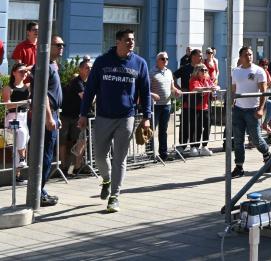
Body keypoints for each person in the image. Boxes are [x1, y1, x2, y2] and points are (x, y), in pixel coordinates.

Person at [78, 29, 150, 213]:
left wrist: (146, 117)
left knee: (120, 158)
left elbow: (145, 92)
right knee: (100, 156)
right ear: (117, 41)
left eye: (133, 40)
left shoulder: (139, 63)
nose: (131, 43)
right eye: (127, 40)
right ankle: (106, 180)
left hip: (127, 117)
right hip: (103, 116)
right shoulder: (102, 62)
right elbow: (90, 90)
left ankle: (114, 196)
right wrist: (83, 114)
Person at [30, 36, 64, 207]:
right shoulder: (42, 66)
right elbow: (41, 94)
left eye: (62, 45)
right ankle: (37, 194)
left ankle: (40, 191)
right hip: (45, 116)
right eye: (58, 45)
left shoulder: (53, 65)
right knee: (44, 157)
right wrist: (49, 117)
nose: (61, 47)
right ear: (48, 46)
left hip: (53, 114)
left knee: (47, 157)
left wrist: (56, 116)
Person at [231, 46, 271, 178]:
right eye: (246, 55)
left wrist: (261, 108)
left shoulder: (258, 70)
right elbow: (234, 89)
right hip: (238, 110)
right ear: (240, 57)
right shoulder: (236, 71)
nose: (249, 57)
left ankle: (266, 153)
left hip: (252, 110)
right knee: (238, 141)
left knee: (256, 139)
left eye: (250, 54)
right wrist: (231, 102)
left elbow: (264, 91)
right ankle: (239, 166)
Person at [60, 58, 91, 176]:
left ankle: (74, 168)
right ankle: (63, 168)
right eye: (87, 68)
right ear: (81, 69)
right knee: (63, 142)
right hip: (67, 116)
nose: (89, 70)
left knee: (79, 142)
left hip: (78, 117)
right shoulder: (77, 82)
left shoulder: (88, 82)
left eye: (91, 68)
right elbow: (86, 98)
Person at [3, 63, 30, 184]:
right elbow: (7, 105)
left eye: (25, 72)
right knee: (21, 133)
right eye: (21, 71)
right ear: (14, 72)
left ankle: (17, 176)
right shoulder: (8, 87)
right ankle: (23, 160)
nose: (24, 74)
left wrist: (28, 71)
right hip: (12, 117)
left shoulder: (27, 86)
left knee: (22, 142)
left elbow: (40, 80)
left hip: (23, 116)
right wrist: (24, 102)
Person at [150, 52, 181, 161]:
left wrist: (176, 91)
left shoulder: (169, 72)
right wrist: (152, 95)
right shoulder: (151, 72)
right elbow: (146, 89)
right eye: (163, 59)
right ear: (157, 60)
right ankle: (151, 154)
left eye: (167, 59)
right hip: (155, 106)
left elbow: (172, 88)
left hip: (166, 105)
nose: (165, 61)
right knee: (151, 130)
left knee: (163, 130)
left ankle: (163, 154)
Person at [173, 48, 202, 156]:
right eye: (199, 56)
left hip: (199, 100)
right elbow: (173, 76)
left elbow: (208, 79)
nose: (201, 58)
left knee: (197, 123)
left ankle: (194, 146)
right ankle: (182, 145)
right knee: (185, 122)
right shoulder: (185, 68)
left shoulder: (202, 68)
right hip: (187, 100)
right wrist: (179, 89)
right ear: (193, 57)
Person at [189, 63, 218, 155]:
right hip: (196, 107)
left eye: (206, 70)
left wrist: (215, 88)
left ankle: (204, 146)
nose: (205, 71)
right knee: (196, 127)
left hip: (206, 107)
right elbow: (194, 88)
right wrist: (207, 88)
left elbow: (215, 86)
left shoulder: (207, 79)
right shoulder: (194, 79)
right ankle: (194, 146)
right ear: (197, 71)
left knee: (207, 127)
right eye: (202, 70)